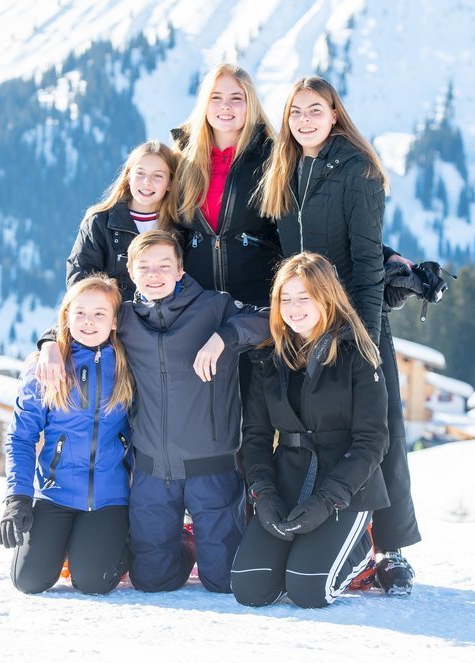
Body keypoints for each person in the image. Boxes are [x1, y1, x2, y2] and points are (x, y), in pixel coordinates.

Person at [34, 230, 270, 594]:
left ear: (180, 271)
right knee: (151, 581)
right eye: (144, 266)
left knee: (225, 582)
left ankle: (207, 546)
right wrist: (49, 343)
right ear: (130, 271)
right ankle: (186, 546)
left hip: (211, 467)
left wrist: (224, 336)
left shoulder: (214, 308)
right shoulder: (124, 318)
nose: (154, 274)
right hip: (152, 471)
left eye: (164, 266)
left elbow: (271, 318)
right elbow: (81, 319)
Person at [256, 75, 420, 595]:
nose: (305, 121)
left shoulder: (358, 169)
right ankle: (308, 521)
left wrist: (366, 342)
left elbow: (367, 258)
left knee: (377, 426)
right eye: (296, 112)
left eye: (315, 111)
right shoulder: (284, 167)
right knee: (304, 426)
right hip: (300, 321)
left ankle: (390, 549)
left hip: (351, 323)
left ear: (334, 114)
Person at [231, 252, 389, 608]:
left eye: (304, 297)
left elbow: (373, 440)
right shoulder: (267, 358)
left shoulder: (358, 354)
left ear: (327, 298)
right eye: (285, 299)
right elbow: (255, 437)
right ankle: (306, 551)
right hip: (288, 477)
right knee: (249, 588)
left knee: (307, 589)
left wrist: (328, 500)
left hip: (346, 486)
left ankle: (361, 552)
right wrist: (263, 493)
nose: (293, 307)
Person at [0, 274, 134, 595]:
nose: (89, 322)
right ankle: (67, 548)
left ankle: (108, 544)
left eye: (100, 313)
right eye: (80, 313)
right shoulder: (45, 369)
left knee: (93, 582)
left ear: (115, 321)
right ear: (66, 318)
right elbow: (20, 437)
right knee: (28, 580)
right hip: (55, 493)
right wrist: (17, 497)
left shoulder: (129, 363)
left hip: (110, 497)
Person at [173, 63, 281, 307]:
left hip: (259, 300)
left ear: (250, 105)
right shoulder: (182, 159)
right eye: (216, 97)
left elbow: (306, 219)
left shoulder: (273, 158)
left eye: (236, 98)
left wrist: (383, 255)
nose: (225, 106)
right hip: (196, 303)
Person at [66, 141, 181, 300]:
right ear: (128, 177)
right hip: (117, 321)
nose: (147, 182)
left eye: (158, 176)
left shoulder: (180, 226)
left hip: (168, 321)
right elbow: (81, 281)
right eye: (140, 173)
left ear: (169, 183)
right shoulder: (100, 222)